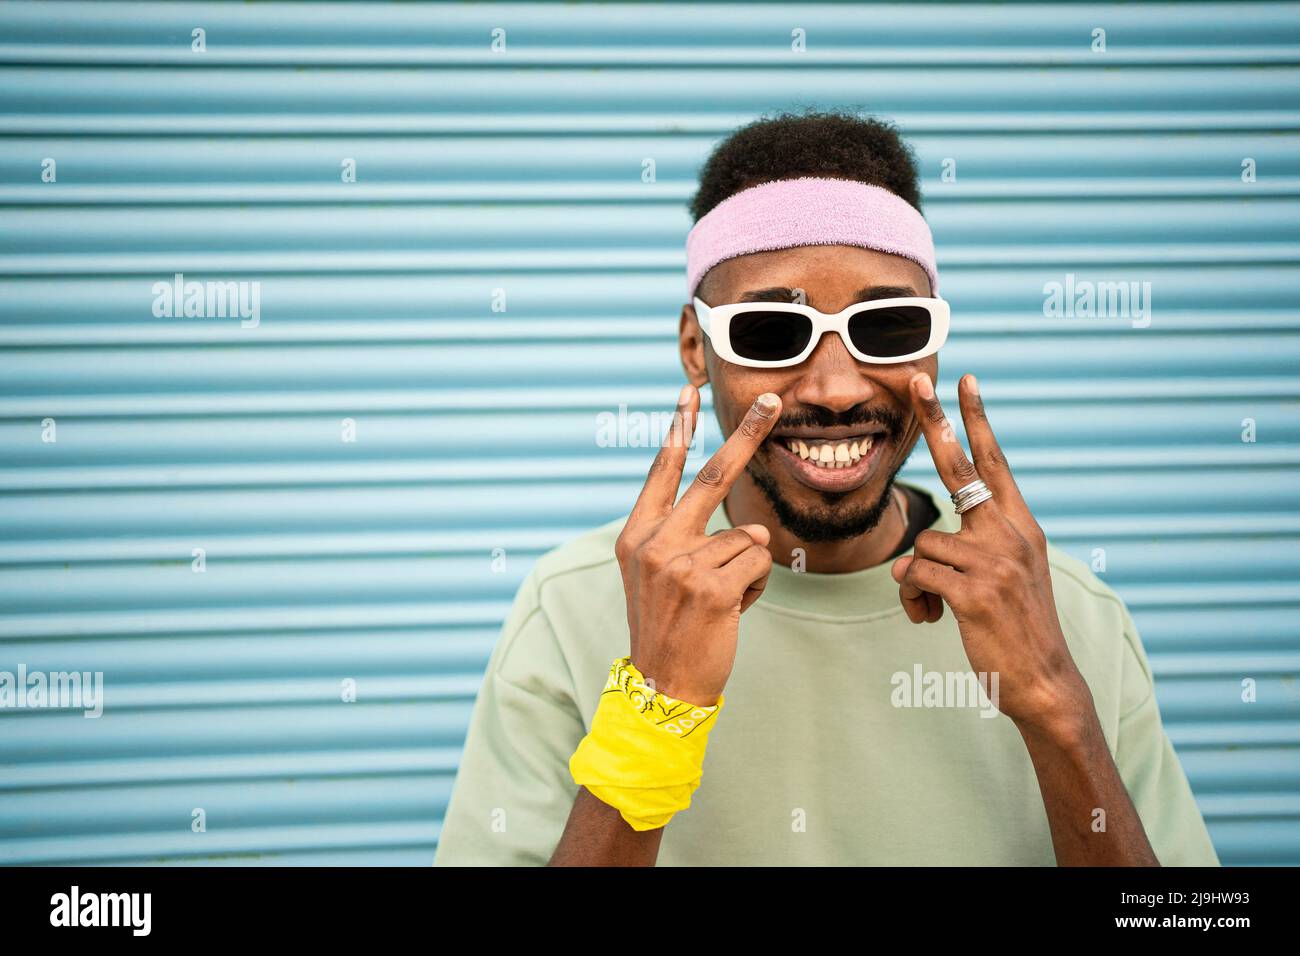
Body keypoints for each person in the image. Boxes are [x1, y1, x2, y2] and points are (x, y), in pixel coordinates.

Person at [433, 109, 1220, 866]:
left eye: (888, 327)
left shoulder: (1066, 612)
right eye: (772, 332)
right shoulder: (575, 605)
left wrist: (1055, 705)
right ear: (695, 347)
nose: (838, 388)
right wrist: (657, 705)